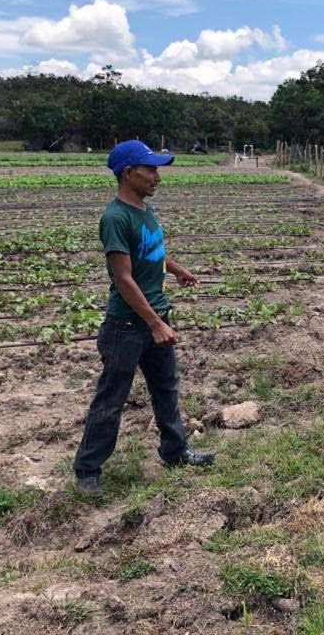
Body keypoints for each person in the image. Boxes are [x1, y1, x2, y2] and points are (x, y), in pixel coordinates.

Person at [73, 140, 215, 493]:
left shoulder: (144, 209)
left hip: (156, 315)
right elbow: (123, 278)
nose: (157, 177)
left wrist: (177, 269)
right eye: (150, 169)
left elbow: (152, 253)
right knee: (111, 399)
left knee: (166, 390)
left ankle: (176, 452)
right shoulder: (115, 218)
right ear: (128, 173)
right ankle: (88, 469)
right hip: (127, 326)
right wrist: (154, 323)